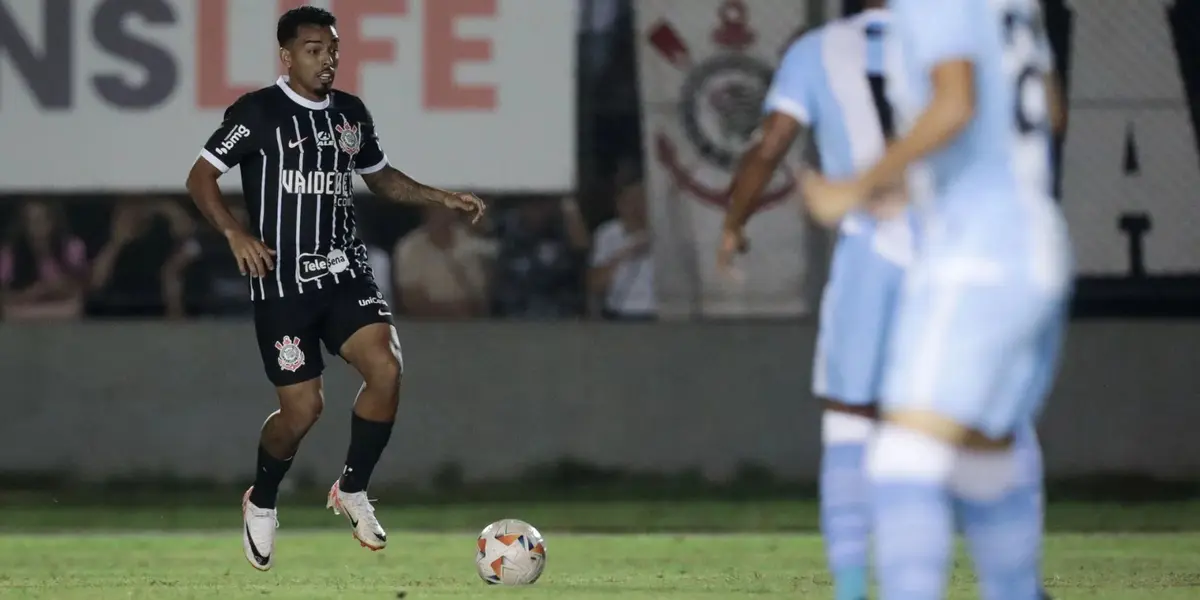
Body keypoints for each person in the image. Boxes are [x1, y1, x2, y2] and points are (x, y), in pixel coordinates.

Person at [184, 6, 484, 571]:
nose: (327, 60)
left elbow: (382, 177)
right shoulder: (258, 112)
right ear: (288, 55)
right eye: (314, 49)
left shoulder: (350, 113)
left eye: (333, 49)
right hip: (282, 283)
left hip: (345, 273)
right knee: (302, 412)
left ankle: (352, 487)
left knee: (387, 367)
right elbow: (201, 176)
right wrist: (234, 233)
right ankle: (263, 499)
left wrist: (442, 197)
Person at [801, 0, 1071, 598]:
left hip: (975, 251)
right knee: (984, 467)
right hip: (1034, 240)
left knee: (904, 458)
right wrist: (919, 185)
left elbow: (955, 102)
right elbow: (1049, 111)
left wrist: (855, 186)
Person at [0, 199, 88, 320]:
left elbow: (79, 298)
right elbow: (5, 303)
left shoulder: (72, 248)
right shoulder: (10, 254)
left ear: (53, 221)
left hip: (63, 321)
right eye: (29, 222)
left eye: (41, 220)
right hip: (22, 322)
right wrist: (31, 294)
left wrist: (56, 289)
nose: (36, 228)